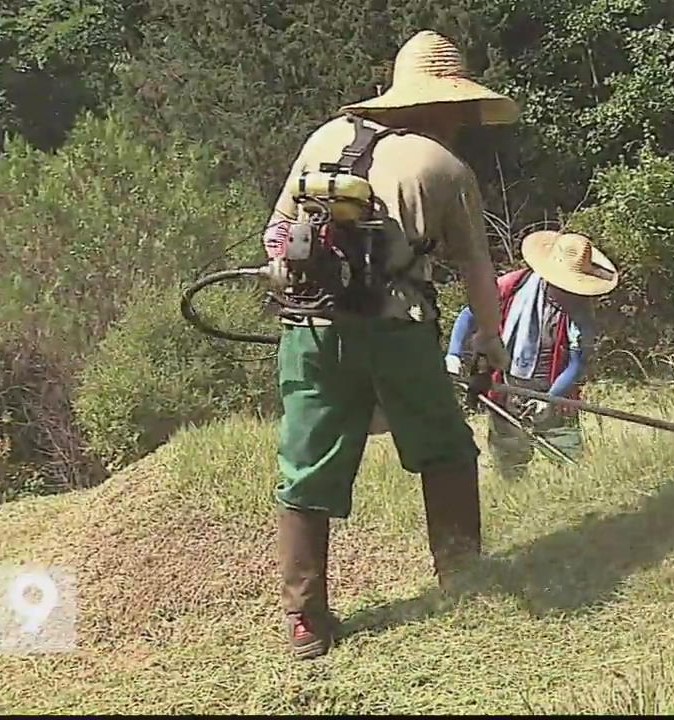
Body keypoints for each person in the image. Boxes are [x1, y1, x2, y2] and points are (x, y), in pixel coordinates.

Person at [259, 30, 515, 660]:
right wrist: (491, 337)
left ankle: (305, 622)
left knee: (307, 468)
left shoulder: (324, 139)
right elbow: (476, 267)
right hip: (398, 329)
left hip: (310, 328)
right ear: (450, 108)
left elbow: (275, 236)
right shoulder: (446, 168)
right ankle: (463, 580)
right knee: (445, 449)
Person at [445, 230, 619, 479]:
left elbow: (576, 363)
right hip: (506, 387)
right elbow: (469, 314)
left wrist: (550, 398)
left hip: (554, 393)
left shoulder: (581, 315)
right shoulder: (512, 286)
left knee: (570, 462)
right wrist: (453, 354)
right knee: (509, 460)